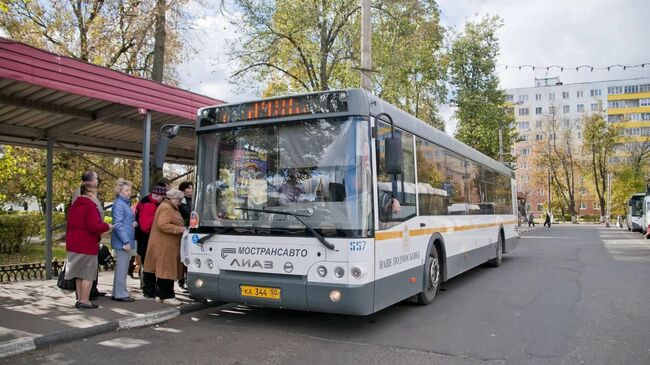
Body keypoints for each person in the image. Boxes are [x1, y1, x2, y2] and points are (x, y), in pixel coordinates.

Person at [65, 182, 111, 309]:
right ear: (90, 193)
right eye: (95, 192)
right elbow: (93, 226)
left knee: (78, 274)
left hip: (73, 244)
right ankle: (85, 301)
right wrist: (108, 226)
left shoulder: (74, 206)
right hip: (86, 245)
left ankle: (79, 299)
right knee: (88, 274)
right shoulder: (90, 206)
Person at [144, 189, 186, 305]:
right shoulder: (167, 208)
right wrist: (180, 229)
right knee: (166, 271)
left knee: (164, 271)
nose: (180, 203)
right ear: (174, 199)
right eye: (179, 200)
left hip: (166, 245)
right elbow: (162, 224)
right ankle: (167, 296)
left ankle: (159, 294)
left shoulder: (166, 206)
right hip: (165, 246)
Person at [70, 170, 106, 300]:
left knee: (91, 267)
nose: (97, 181)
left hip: (93, 235)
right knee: (84, 269)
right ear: (90, 180)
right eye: (96, 178)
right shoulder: (81, 193)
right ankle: (84, 296)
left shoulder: (90, 194)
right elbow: (84, 216)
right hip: (87, 236)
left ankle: (91, 290)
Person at [135, 183, 166, 298]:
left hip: (146, 239)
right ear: (157, 195)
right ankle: (148, 290)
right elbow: (145, 226)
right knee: (148, 266)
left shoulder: (147, 201)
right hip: (147, 239)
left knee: (148, 265)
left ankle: (149, 289)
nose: (163, 200)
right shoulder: (149, 205)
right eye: (162, 197)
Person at [110, 179, 136, 302]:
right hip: (123, 241)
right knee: (122, 268)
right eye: (126, 190)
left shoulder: (124, 204)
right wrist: (126, 242)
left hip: (124, 239)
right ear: (119, 191)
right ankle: (120, 294)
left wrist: (133, 222)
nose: (129, 192)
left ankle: (117, 292)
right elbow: (118, 224)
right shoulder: (120, 204)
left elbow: (123, 222)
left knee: (122, 268)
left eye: (129, 190)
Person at [177, 181, 193, 290]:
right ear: (183, 190)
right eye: (189, 188)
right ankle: (181, 280)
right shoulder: (181, 202)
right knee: (183, 256)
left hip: (190, 230)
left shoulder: (193, 200)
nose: (191, 190)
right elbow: (188, 213)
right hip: (183, 231)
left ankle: (187, 279)